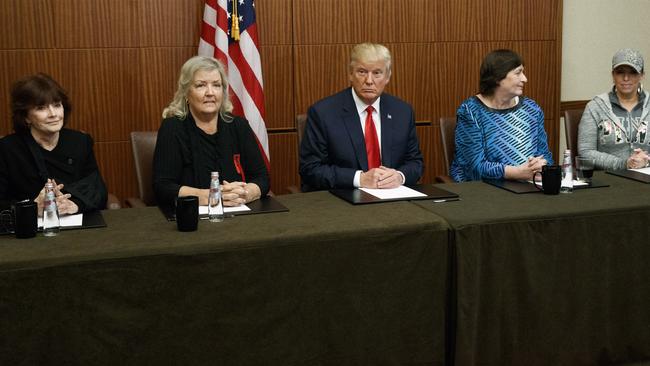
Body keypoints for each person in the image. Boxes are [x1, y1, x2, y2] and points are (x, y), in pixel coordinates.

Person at [299, 43, 423, 191]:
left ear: (388, 77)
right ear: (350, 74)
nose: (369, 81)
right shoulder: (323, 113)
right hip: (343, 200)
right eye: (362, 72)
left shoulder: (402, 111)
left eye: (377, 73)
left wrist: (399, 176)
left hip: (392, 200)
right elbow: (310, 169)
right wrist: (360, 179)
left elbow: (416, 162)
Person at [153, 56, 269, 208]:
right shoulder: (173, 128)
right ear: (187, 93)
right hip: (193, 219)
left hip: (238, 214)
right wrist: (212, 196)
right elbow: (163, 187)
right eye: (201, 85)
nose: (210, 92)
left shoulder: (238, 126)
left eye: (216, 85)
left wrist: (243, 194)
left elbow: (262, 178)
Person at [0, 73, 107, 214]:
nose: (53, 114)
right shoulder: (6, 148)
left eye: (57, 105)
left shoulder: (81, 141)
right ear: (26, 117)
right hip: (29, 229)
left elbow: (97, 191)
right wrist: (31, 208)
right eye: (41, 108)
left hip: (77, 225)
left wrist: (74, 205)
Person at [450, 49, 553, 182]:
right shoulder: (471, 111)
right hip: (485, 190)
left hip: (530, 186)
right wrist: (515, 173)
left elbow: (546, 157)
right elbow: (473, 168)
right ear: (498, 77)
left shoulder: (531, 109)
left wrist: (541, 166)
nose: (525, 79)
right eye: (518, 73)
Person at [578, 48, 650, 170]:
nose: (626, 78)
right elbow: (586, 152)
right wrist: (623, 164)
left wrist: (646, 161)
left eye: (632, 72)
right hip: (609, 180)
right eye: (620, 72)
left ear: (641, 75)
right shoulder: (595, 107)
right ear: (613, 75)